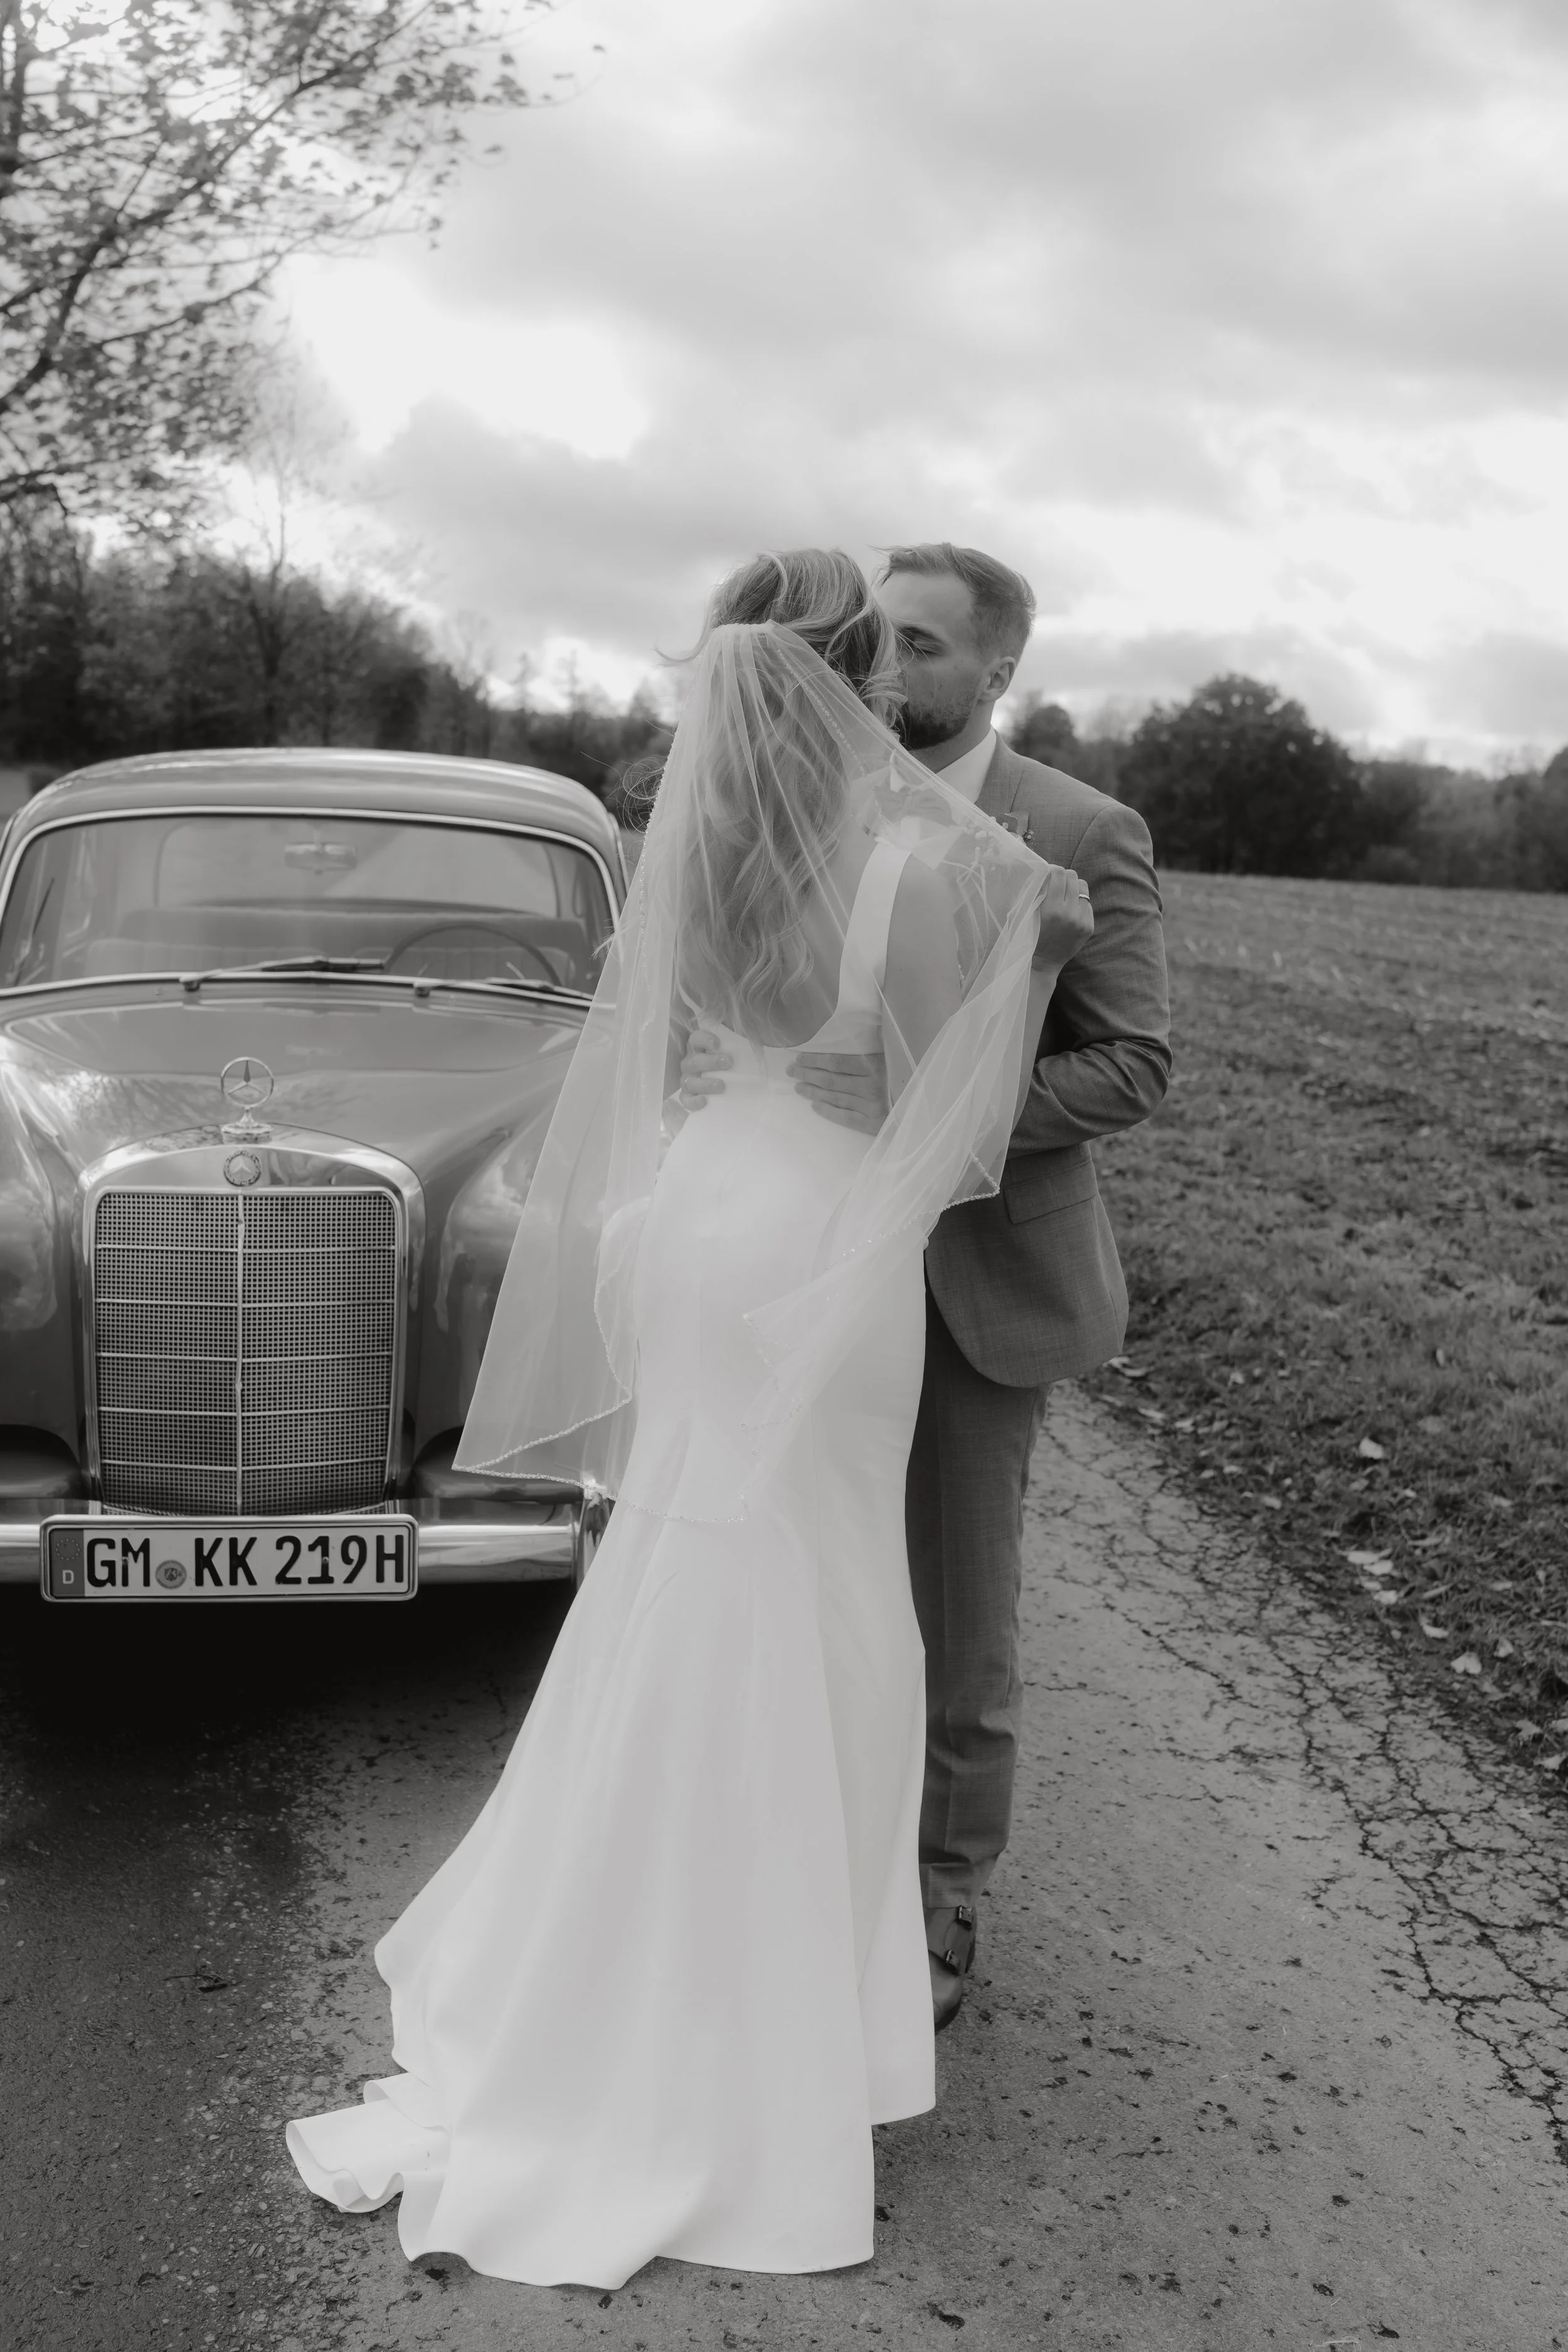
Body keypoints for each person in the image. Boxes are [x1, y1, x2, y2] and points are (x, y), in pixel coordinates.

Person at [285, 549, 1093, 2287]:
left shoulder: (697, 852)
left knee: (687, 1578)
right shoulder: (913, 865)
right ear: (857, 684)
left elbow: (655, 1068)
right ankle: (758, 2022)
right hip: (816, 1258)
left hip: (697, 1225)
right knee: (823, 1607)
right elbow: (944, 1132)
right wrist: (1019, 968)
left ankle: (612, 1955)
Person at [681, 544, 1170, 2030]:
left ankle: (939, 1902)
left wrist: (924, 1117)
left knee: (958, 1620)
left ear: (998, 672)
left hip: (969, 1278)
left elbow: (1130, 1064)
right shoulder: (798, 798)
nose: (886, 670)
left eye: (923, 647)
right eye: (877, 640)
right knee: (793, 1579)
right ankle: (795, 1875)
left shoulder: (1076, 828)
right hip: (790, 1262)